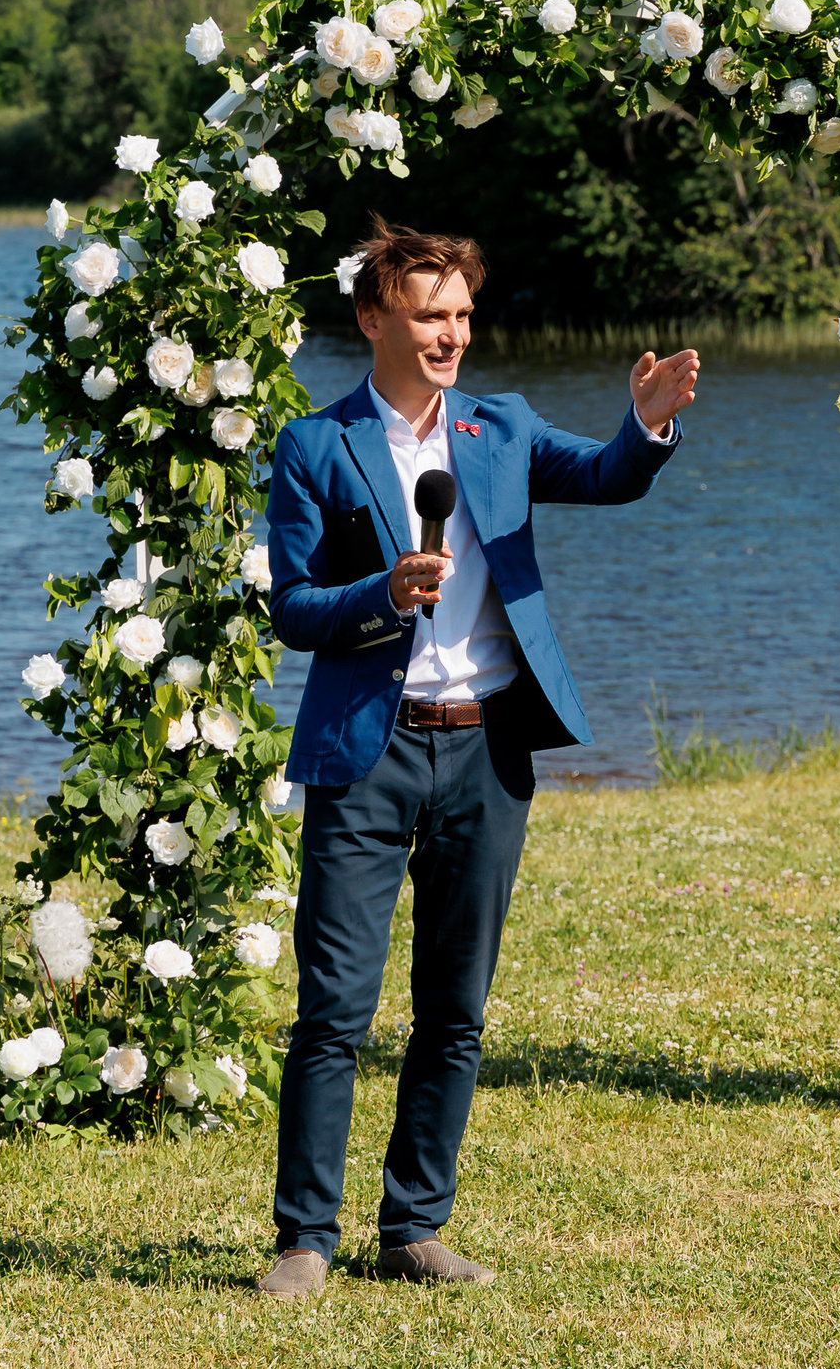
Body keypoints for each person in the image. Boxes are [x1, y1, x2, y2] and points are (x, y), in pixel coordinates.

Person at [256, 223, 697, 1298]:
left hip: (488, 747)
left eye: (459, 314)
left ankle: (414, 1227)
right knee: (335, 1010)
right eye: (427, 314)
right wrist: (381, 594)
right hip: (367, 754)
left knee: (455, 1008)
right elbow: (293, 610)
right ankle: (304, 1241)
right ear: (374, 320)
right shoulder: (316, 446)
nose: (450, 334)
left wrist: (642, 432)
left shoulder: (500, 428)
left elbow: (601, 476)